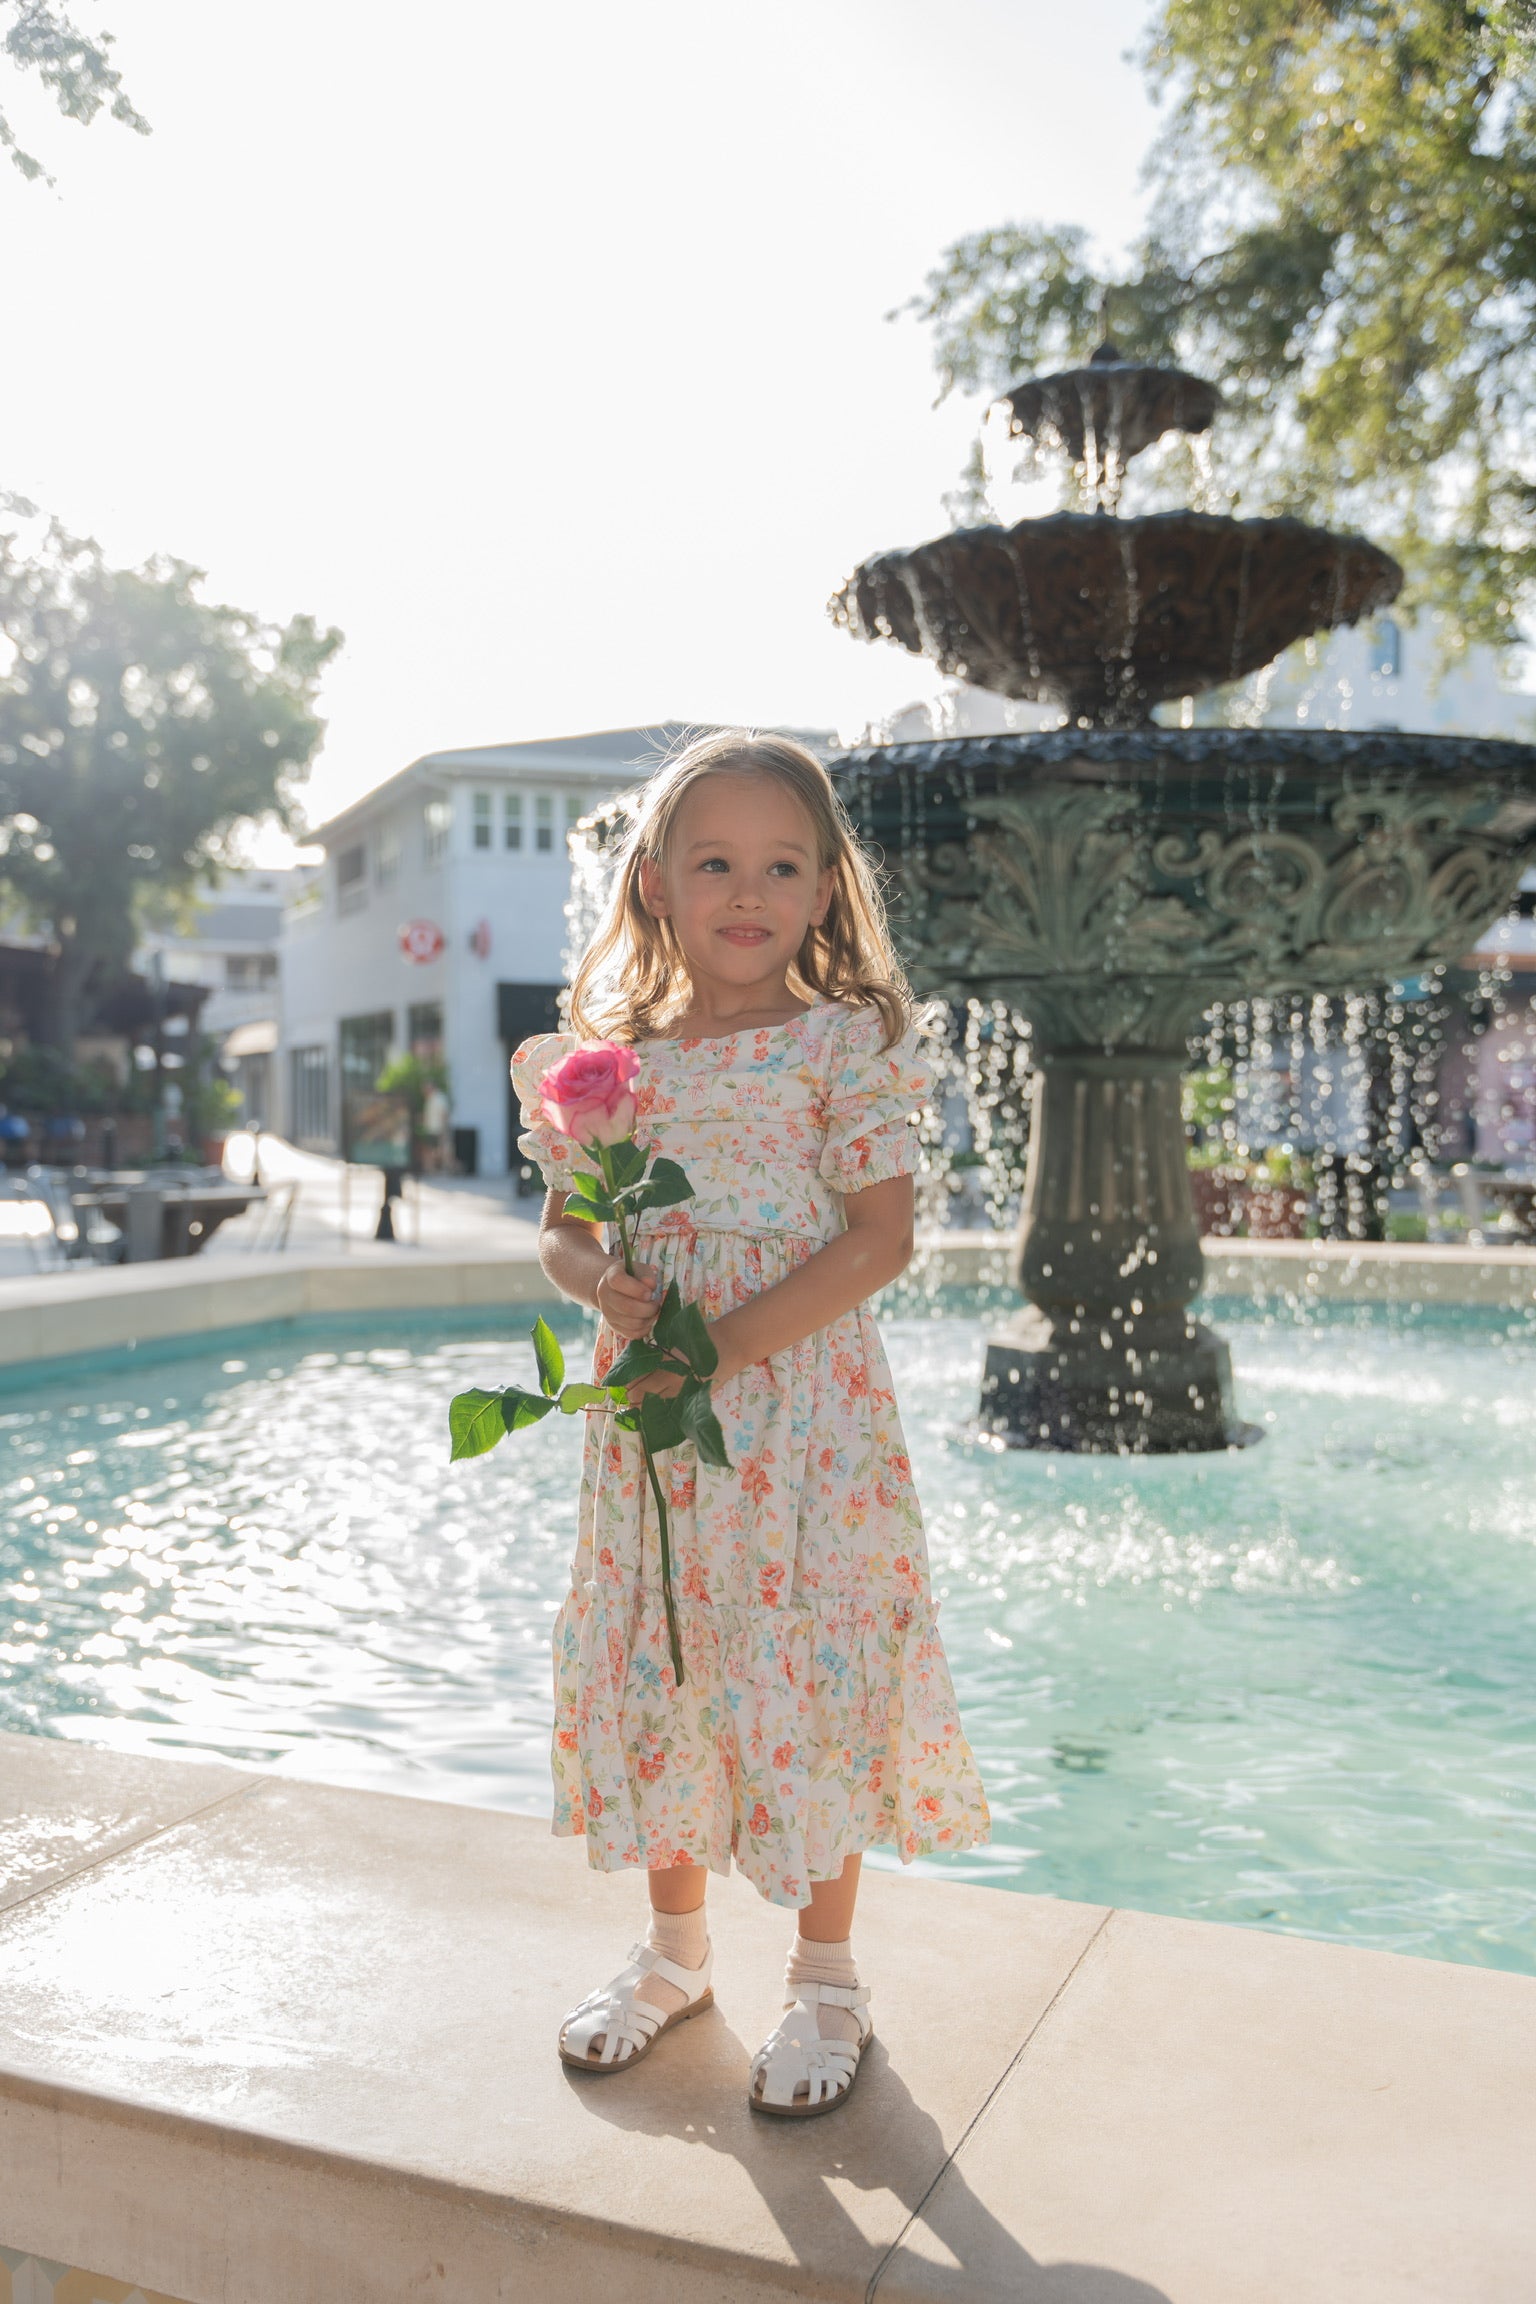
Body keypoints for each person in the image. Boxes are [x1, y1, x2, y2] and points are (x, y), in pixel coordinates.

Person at [511, 728, 989, 2118]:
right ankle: (673, 1956)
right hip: (654, 1424)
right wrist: (609, 1285)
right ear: (655, 881)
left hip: (801, 1423)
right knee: (668, 1636)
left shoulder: (845, 1047)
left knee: (810, 1655)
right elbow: (560, 1233)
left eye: (781, 865)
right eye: (713, 860)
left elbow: (878, 1242)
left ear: (828, 889)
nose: (747, 889)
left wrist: (708, 1349)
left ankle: (827, 1980)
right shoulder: (604, 1065)